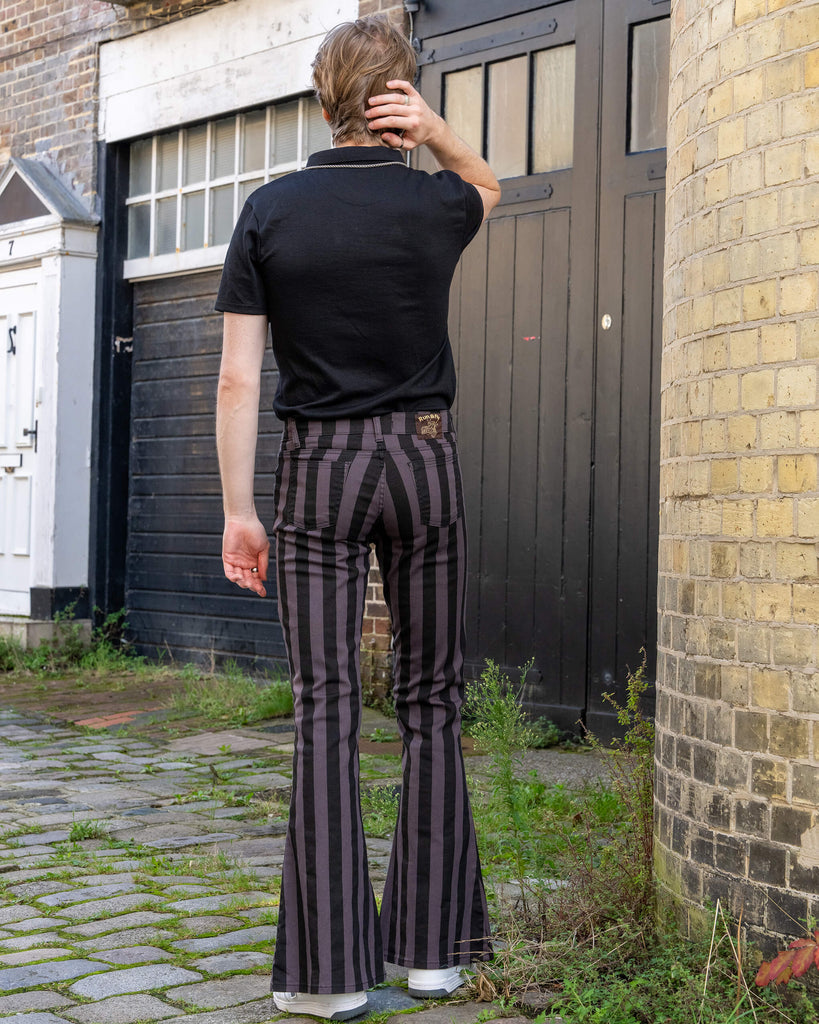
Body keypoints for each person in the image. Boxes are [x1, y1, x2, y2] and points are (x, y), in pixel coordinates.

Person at [215, 15, 501, 1021]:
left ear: (320, 98)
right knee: (432, 700)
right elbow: (488, 184)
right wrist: (439, 132)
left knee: (327, 707)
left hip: (321, 470)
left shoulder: (268, 211)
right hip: (424, 459)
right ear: (398, 98)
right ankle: (435, 959)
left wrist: (239, 510)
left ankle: (330, 978)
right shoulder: (434, 202)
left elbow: (238, 378)